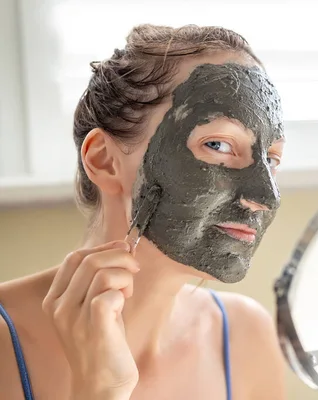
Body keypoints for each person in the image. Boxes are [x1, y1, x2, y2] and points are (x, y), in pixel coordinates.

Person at [0, 24, 287, 400]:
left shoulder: (247, 335)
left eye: (270, 158)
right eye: (217, 144)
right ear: (103, 160)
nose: (264, 195)